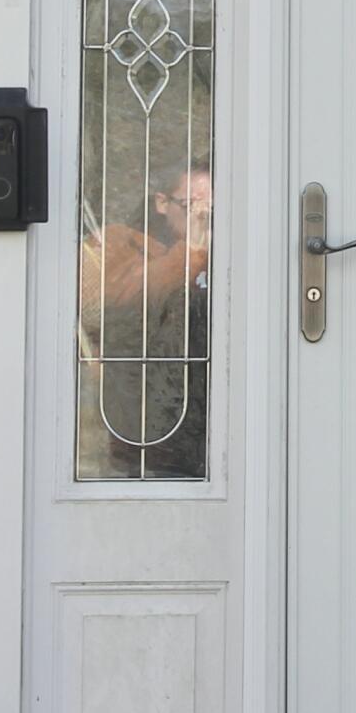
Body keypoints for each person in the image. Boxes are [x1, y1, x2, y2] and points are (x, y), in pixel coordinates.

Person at [76, 164, 213, 479]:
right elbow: (116, 300)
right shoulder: (121, 241)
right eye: (193, 205)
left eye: (212, 208)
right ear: (162, 203)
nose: (204, 215)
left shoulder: (233, 248)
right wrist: (192, 252)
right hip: (146, 426)